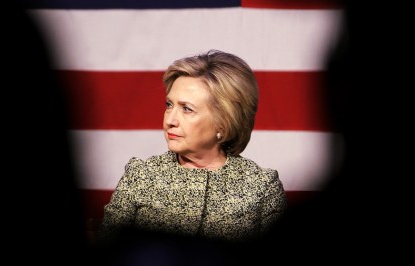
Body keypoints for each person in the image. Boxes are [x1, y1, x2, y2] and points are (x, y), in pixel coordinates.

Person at [97, 49, 286, 243]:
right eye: (169, 105)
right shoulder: (142, 175)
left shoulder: (262, 187)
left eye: (187, 109)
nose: (170, 120)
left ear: (223, 123)